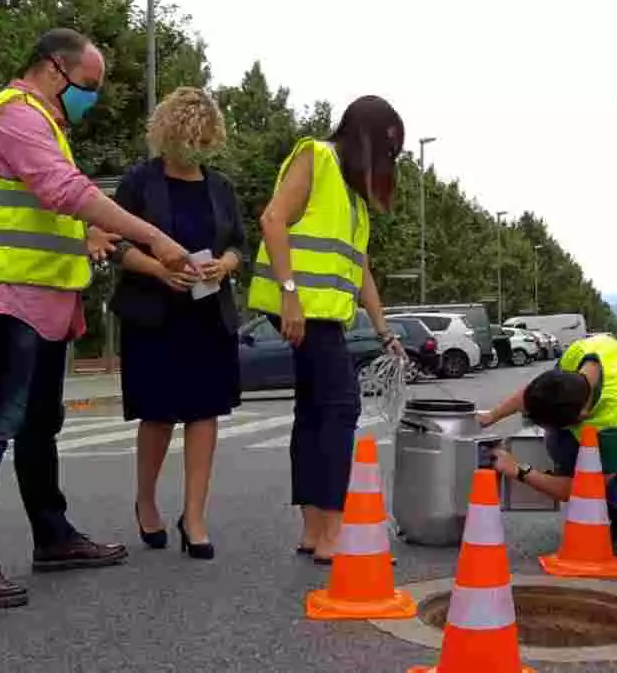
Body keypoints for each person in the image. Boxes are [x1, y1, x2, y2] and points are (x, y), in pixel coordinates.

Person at [0, 28, 191, 608]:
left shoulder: (43, 124)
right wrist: (153, 236)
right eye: (90, 86)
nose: (93, 99)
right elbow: (62, 189)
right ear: (55, 70)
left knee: (38, 424)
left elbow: (40, 208)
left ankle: (52, 536)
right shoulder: (13, 115)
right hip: (6, 298)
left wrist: (85, 236)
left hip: (44, 298)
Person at [246, 96, 406, 562]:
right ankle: (334, 533)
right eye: (387, 148)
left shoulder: (352, 196)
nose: (387, 160)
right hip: (301, 307)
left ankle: (315, 530)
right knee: (339, 407)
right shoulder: (315, 156)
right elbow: (272, 220)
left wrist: (384, 331)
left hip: (322, 312)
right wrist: (290, 295)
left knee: (316, 411)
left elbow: (359, 269)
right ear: (365, 136)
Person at [109, 87, 245, 561]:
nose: (195, 149)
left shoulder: (221, 187)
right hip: (154, 315)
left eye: (203, 141)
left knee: (205, 413)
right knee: (158, 413)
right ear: (168, 134)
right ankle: (146, 502)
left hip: (209, 314)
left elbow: (239, 246)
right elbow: (113, 244)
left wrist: (224, 265)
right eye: (188, 139)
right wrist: (157, 269)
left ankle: (195, 515)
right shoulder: (139, 183)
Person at [480, 334, 617, 555]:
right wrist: (491, 416)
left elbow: (586, 488)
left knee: (571, 451)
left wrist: (518, 470)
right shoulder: (582, 352)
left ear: (583, 415)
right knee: (559, 441)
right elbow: (539, 391)